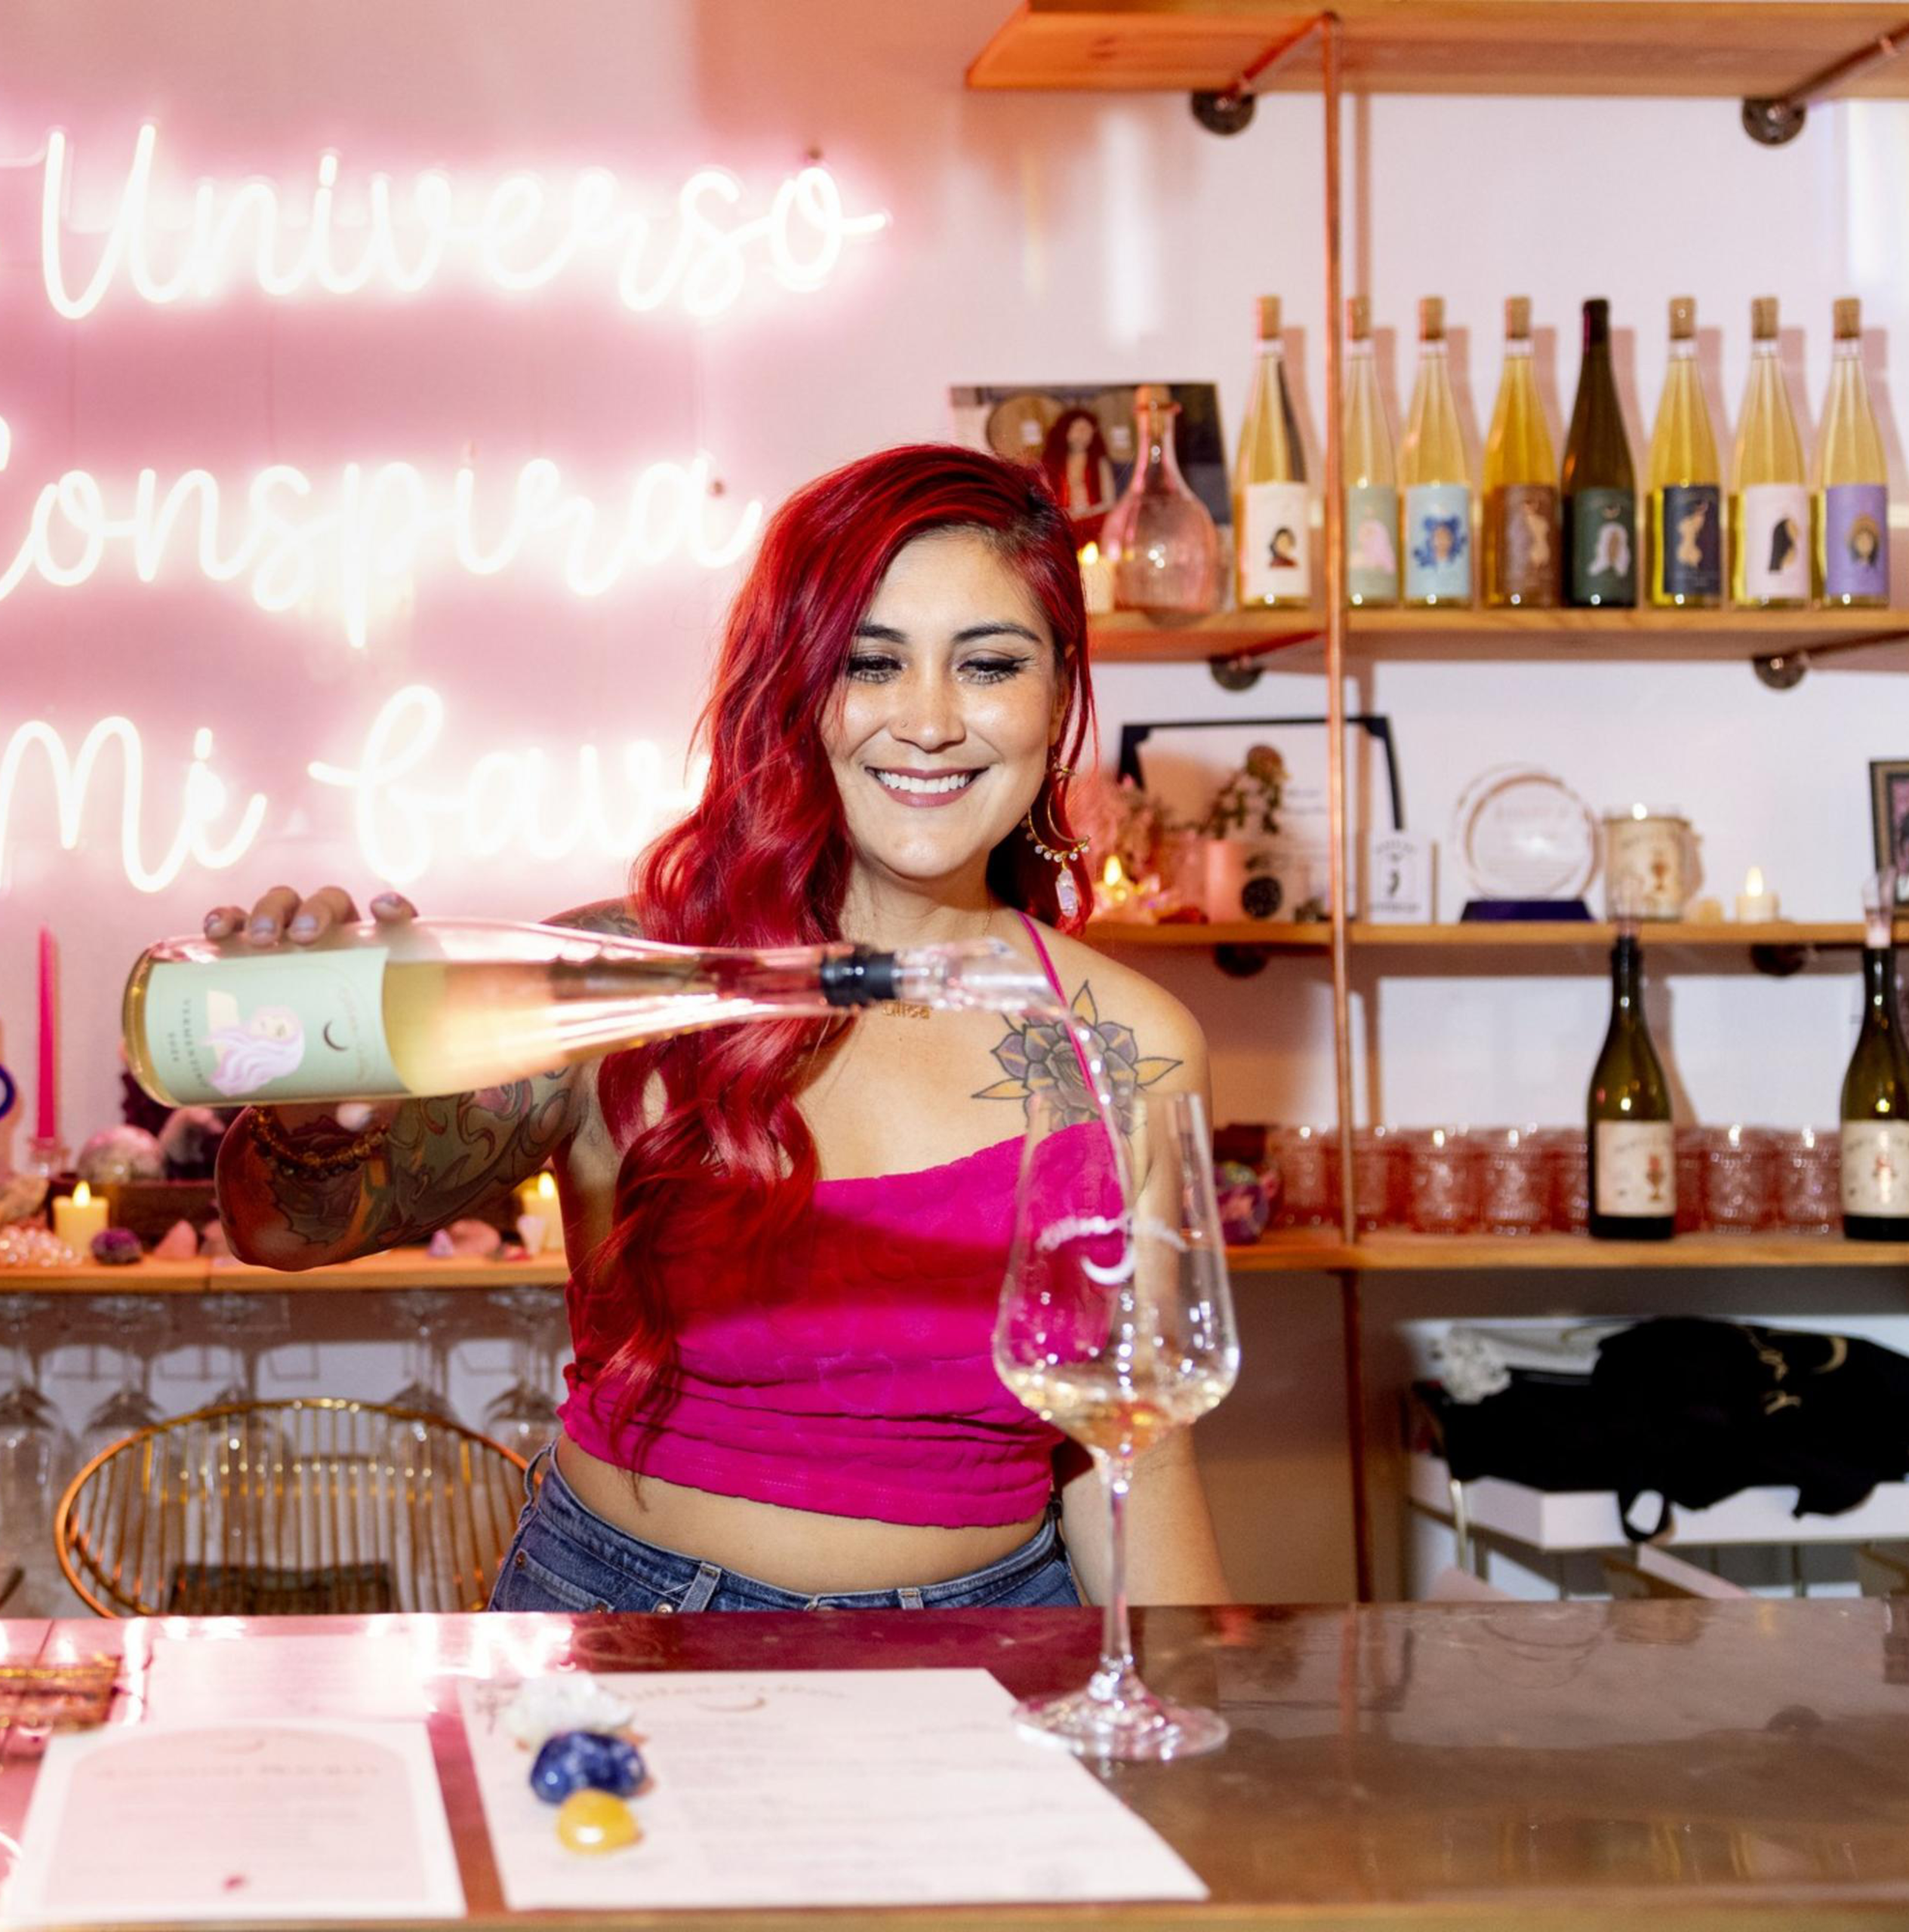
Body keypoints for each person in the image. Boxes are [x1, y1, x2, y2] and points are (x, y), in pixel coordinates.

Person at [209, 445, 1227, 1614]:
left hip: (999, 1651)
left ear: (1057, 702)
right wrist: (307, 1109)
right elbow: (281, 1231)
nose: (932, 721)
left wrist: (1202, 1747)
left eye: (990, 665)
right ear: (791, 690)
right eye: (870, 663)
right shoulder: (619, 981)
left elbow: (1133, 1465)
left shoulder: (1134, 1045)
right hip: (634, 1636)